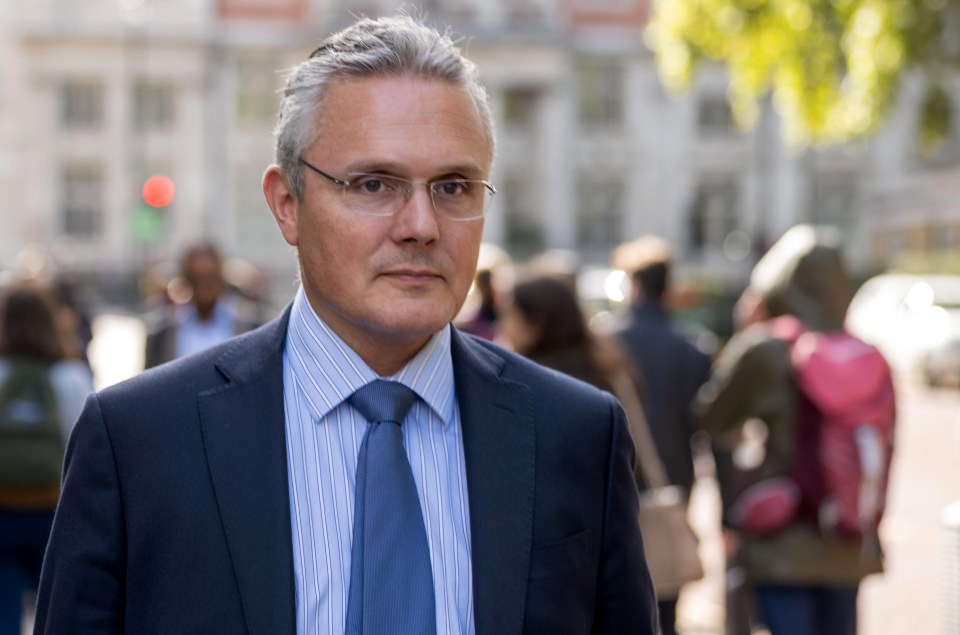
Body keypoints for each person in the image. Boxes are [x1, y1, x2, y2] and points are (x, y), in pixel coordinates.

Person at [35, 15, 658, 634]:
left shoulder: (577, 436)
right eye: (373, 184)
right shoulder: (138, 442)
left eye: (453, 186)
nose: (421, 225)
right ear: (288, 205)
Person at [694, 225, 886, 635]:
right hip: (848, 540)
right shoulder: (869, 358)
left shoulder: (766, 349)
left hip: (781, 539)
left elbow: (714, 418)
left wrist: (747, 329)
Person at [609, 235, 711, 635]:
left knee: (617, 590)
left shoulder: (606, 343)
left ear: (632, 285)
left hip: (616, 477)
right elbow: (707, 430)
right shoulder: (693, 348)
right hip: (675, 479)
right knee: (667, 594)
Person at [0, 283, 92, 634]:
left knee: (4, 612)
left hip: (3, 513)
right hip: (53, 515)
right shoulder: (70, 378)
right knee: (59, 613)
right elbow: (83, 451)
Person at [143, 242, 264, 369]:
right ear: (187, 279)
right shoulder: (162, 333)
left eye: (211, 277)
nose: (205, 286)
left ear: (221, 277)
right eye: (197, 278)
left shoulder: (252, 327)